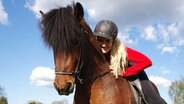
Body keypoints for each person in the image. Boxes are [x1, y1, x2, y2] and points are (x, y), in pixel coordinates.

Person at [94, 19, 167, 104]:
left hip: (133, 71)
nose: (103, 44)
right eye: (100, 40)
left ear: (113, 41)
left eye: (107, 41)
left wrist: (125, 72)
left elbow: (147, 61)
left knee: (152, 98)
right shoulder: (94, 51)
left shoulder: (122, 50)